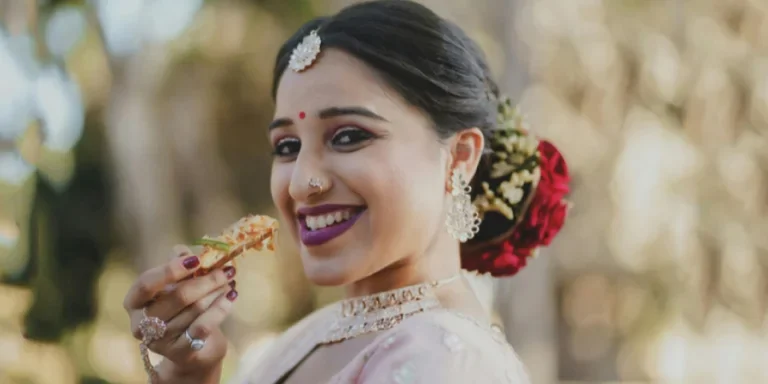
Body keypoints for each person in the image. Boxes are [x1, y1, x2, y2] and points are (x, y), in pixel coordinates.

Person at [122, 1, 571, 383]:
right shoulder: (311, 335)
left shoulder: (444, 360)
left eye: (349, 136)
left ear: (459, 158)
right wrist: (191, 374)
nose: (300, 183)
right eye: (288, 146)